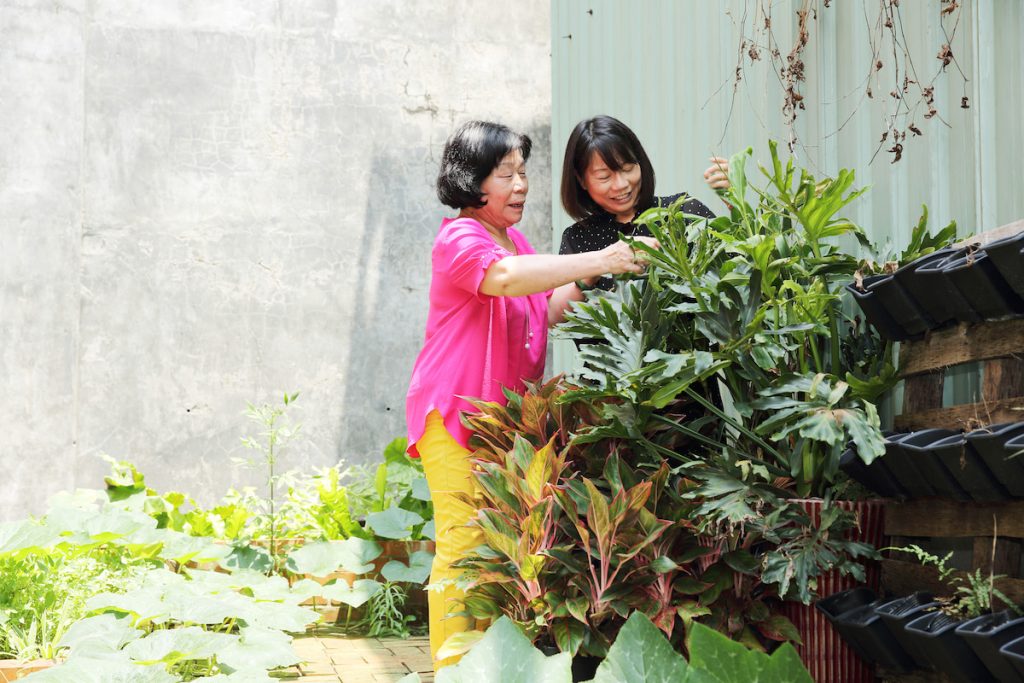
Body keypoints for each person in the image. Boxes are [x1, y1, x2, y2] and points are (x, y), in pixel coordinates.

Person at [405, 120, 657, 671]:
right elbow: (506, 279)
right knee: (461, 546)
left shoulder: (513, 240)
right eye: (506, 174)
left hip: (505, 427)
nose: (520, 184)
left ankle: (484, 671)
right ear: (473, 181)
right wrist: (600, 258)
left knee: (494, 556)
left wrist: (595, 277)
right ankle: (453, 672)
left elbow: (541, 306)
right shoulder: (460, 238)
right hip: (454, 416)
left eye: (523, 172)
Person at [559, 115, 729, 266]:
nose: (621, 184)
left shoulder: (683, 211)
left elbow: (741, 269)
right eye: (604, 177)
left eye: (627, 169)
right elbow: (557, 301)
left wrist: (734, 200)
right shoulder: (576, 238)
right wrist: (599, 264)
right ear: (581, 180)